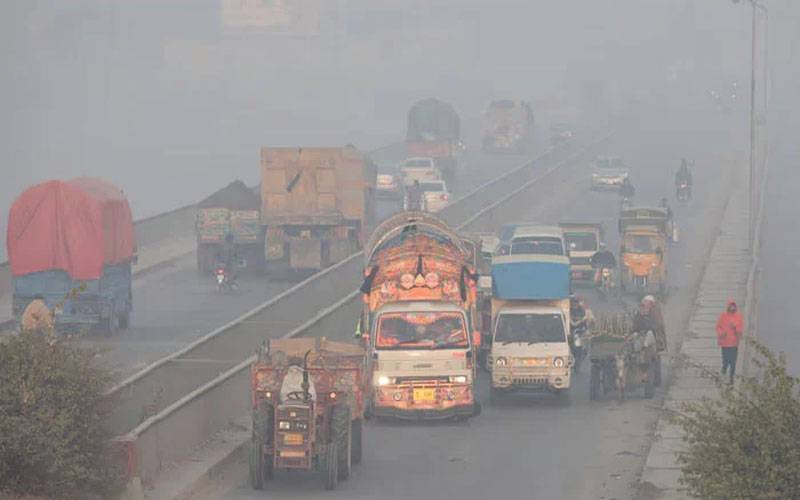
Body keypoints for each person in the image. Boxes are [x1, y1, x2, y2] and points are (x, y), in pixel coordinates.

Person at [715, 299, 744, 384]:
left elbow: (740, 330)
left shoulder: (738, 317)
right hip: (725, 343)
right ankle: (723, 373)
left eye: (733, 306)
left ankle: (731, 378)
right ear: (728, 307)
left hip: (734, 343)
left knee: (733, 362)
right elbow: (718, 327)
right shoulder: (723, 316)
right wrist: (721, 333)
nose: (732, 308)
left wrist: (734, 327)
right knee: (725, 361)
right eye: (731, 306)